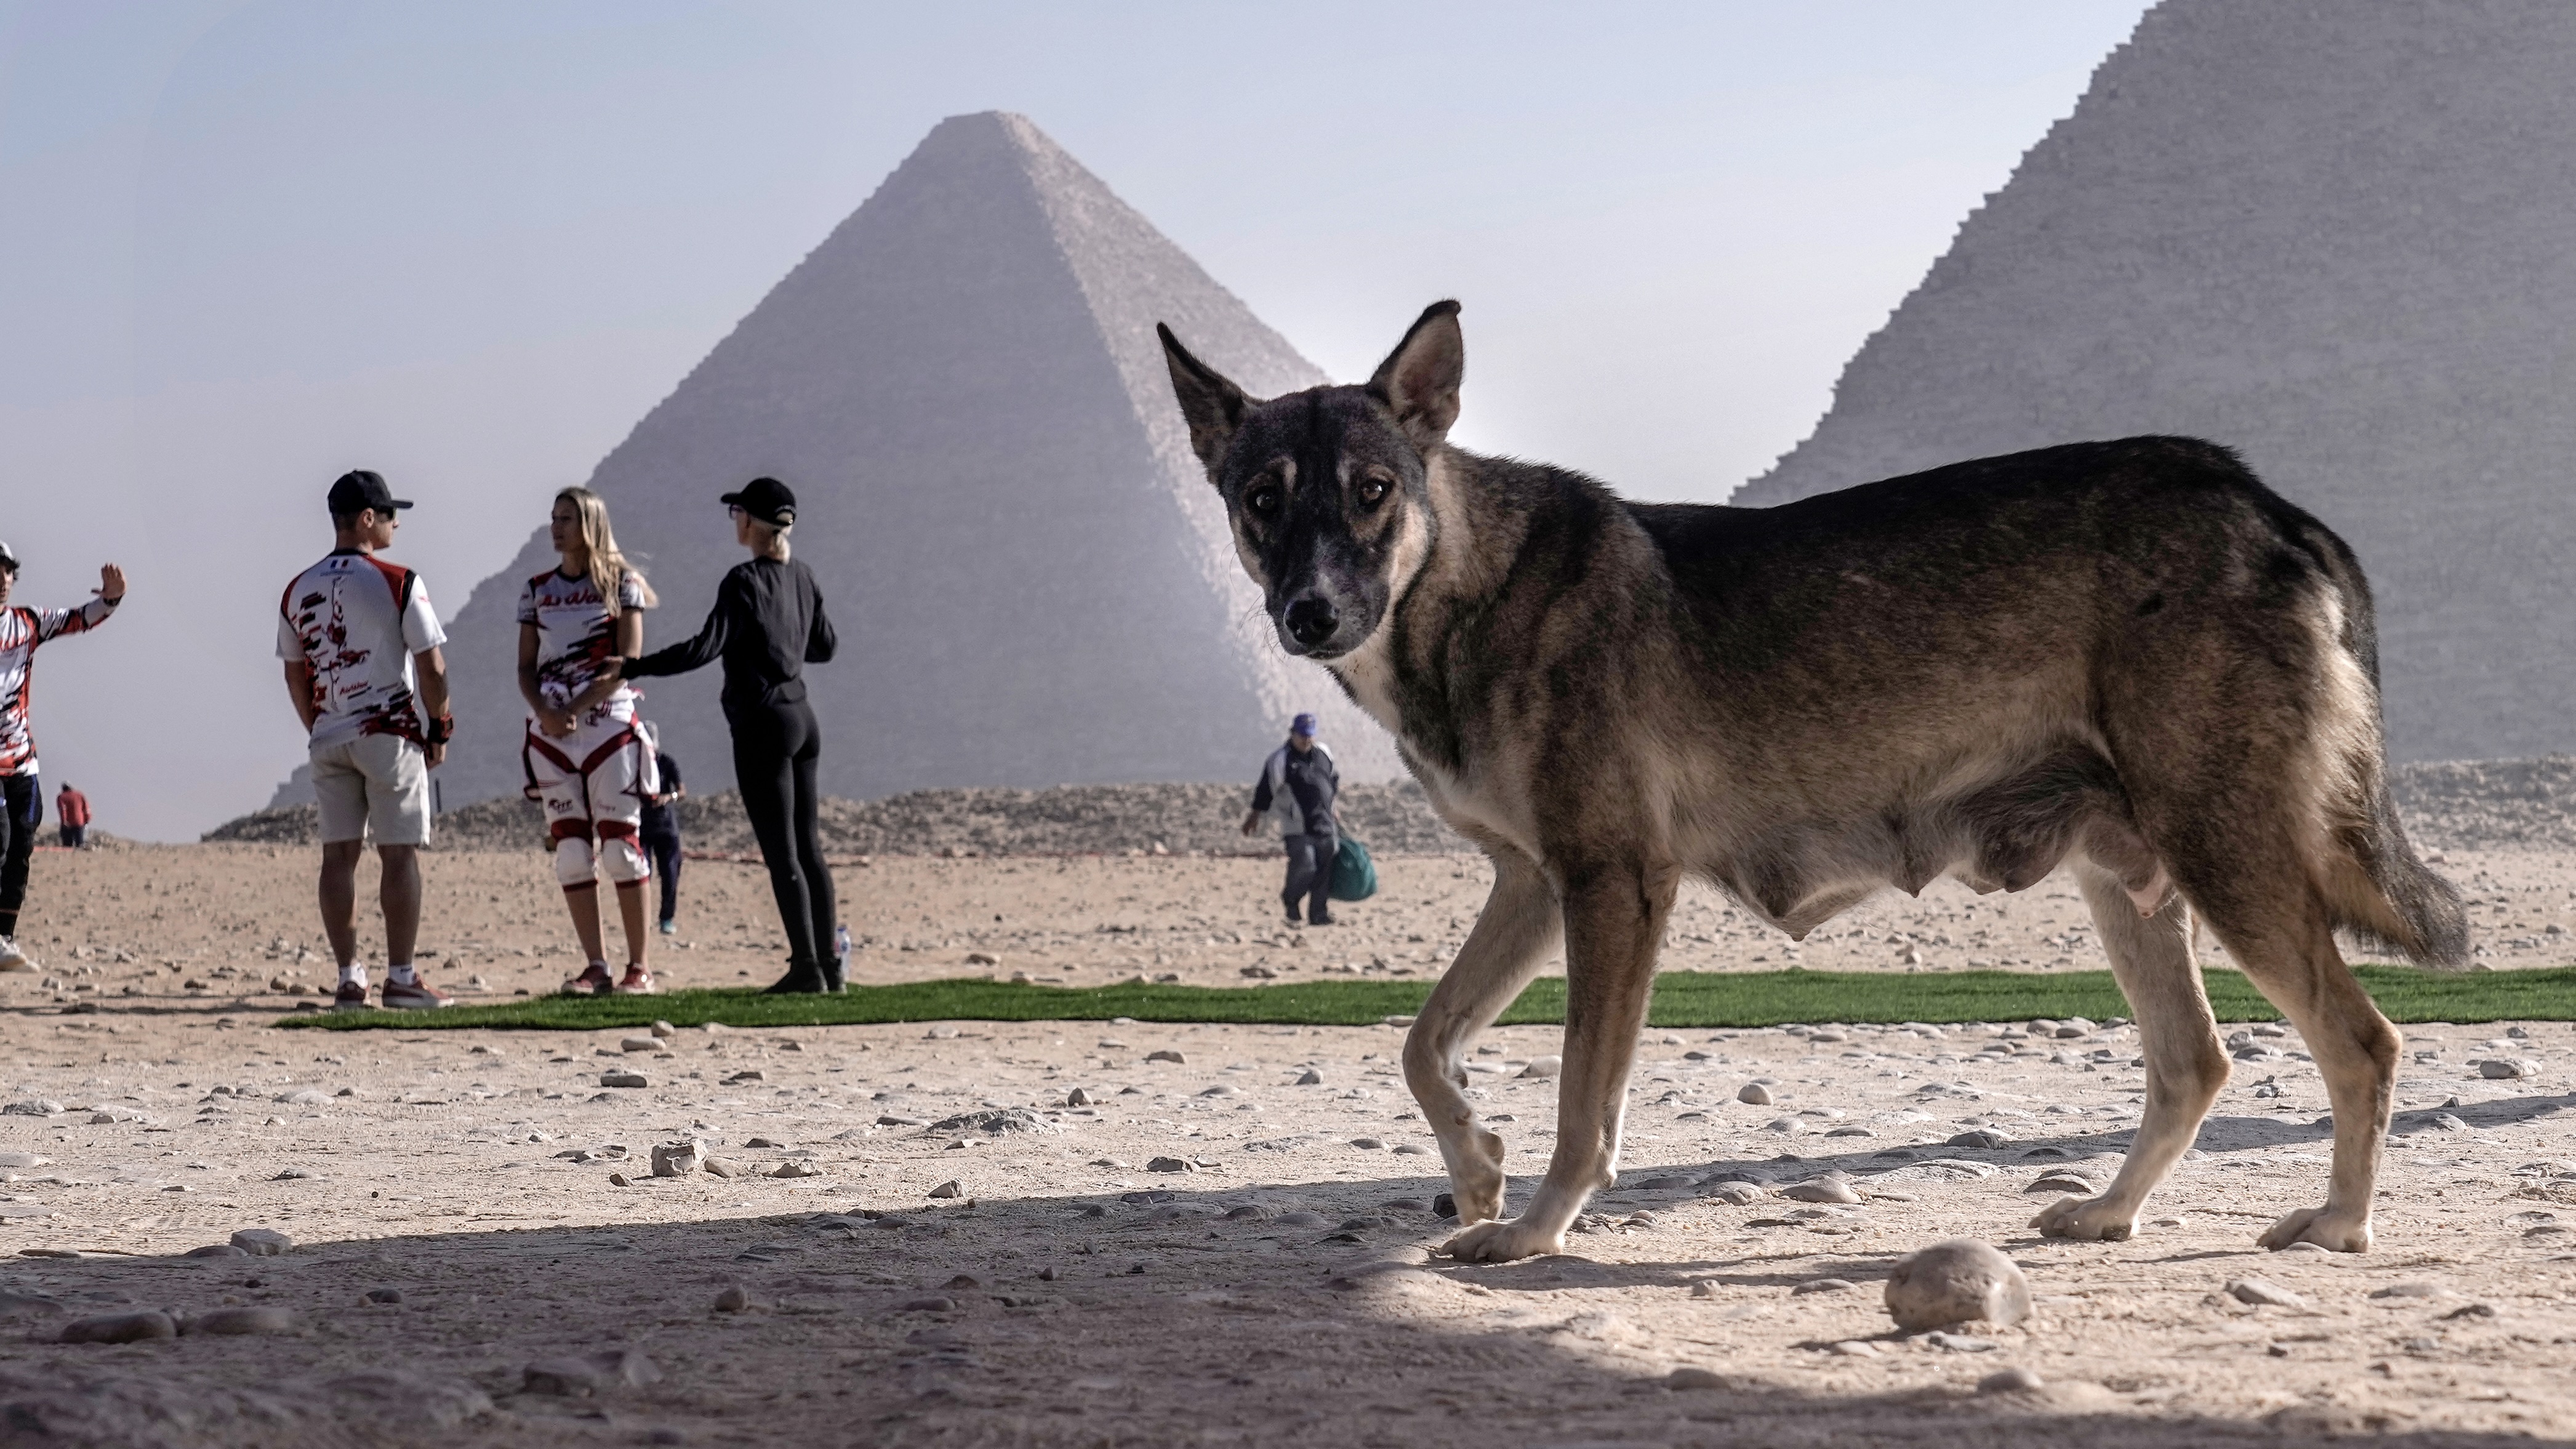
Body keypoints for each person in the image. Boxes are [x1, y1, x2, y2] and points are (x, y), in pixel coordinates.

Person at [619, 476, 841, 993]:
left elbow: (703, 648)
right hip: (803, 717)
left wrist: (632, 666)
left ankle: (806, 967)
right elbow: (824, 647)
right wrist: (783, 641)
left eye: (736, 512)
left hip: (763, 721)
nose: (734, 521)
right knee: (809, 847)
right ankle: (830, 968)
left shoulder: (743, 581)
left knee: (781, 851)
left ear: (750, 523)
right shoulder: (803, 577)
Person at [277, 470, 454, 1010]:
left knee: (339, 857)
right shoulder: (399, 580)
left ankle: (349, 977)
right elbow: (432, 666)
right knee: (398, 855)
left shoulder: (297, 587)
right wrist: (439, 724)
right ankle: (401, 976)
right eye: (390, 514)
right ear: (368, 519)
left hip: (330, 734)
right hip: (387, 732)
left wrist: (320, 726)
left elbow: (293, 673)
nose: (398, 523)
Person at [519, 487, 660, 997]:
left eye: (567, 519)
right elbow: (524, 667)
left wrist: (574, 711)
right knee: (572, 854)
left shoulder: (623, 586)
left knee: (622, 850)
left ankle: (639, 968)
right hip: (552, 733)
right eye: (553, 518)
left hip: (607, 727)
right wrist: (546, 714)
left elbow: (628, 662)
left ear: (592, 525)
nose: (555, 528)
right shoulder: (536, 589)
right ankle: (595, 965)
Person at [0, 540, 123, 973]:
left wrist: (111, 599)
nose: (1, 579)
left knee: (22, 844)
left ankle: (4, 939)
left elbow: (79, 619)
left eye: (7, 571)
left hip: (21, 759)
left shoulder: (28, 623)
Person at [1242, 712, 1339, 927]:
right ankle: (1292, 901)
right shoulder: (1280, 760)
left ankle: (1319, 913)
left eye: (1310, 735)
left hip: (1325, 821)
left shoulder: (1323, 753)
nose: (1307, 740)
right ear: (1292, 734)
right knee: (1305, 863)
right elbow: (1266, 789)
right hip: (1297, 824)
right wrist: (1255, 815)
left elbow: (1332, 780)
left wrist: (1334, 807)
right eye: (1302, 735)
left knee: (1325, 866)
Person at [638, 739, 686, 935]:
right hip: (642, 827)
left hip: (666, 828)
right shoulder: (634, 763)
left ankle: (666, 918)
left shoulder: (666, 762)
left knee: (670, 874)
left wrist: (668, 797)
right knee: (642, 874)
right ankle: (642, 918)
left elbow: (682, 791)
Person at [54, 784, 88, 849]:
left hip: (68, 824)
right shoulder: (80, 795)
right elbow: (86, 808)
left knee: (67, 846)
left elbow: (63, 810)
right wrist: (87, 819)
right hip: (80, 822)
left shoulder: (61, 797)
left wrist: (64, 822)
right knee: (80, 844)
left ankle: (69, 857)